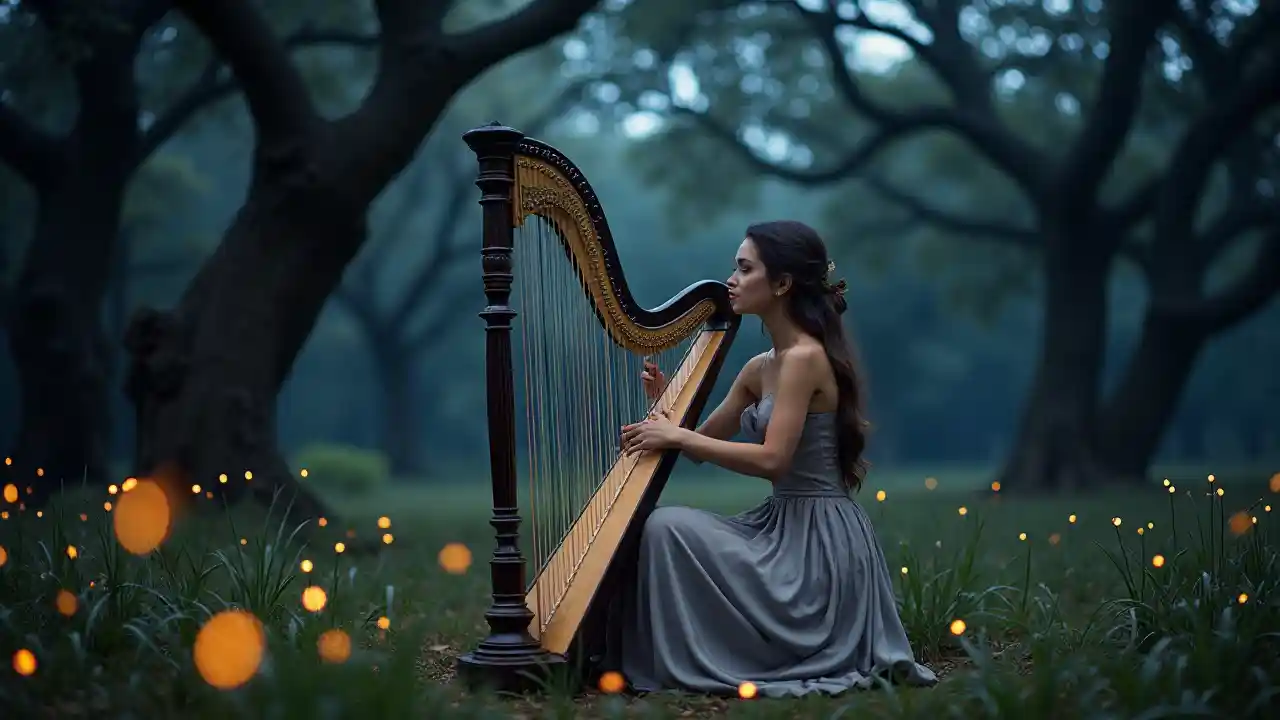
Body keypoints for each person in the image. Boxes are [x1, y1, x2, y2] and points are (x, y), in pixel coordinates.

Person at [604, 220, 938, 698]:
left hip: (817, 544)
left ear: (781, 284)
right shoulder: (759, 368)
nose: (730, 280)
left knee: (665, 526)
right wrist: (664, 408)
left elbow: (772, 460)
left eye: (744, 268)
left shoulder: (805, 359)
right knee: (661, 525)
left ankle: (724, 657)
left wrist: (676, 437)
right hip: (777, 525)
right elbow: (700, 443)